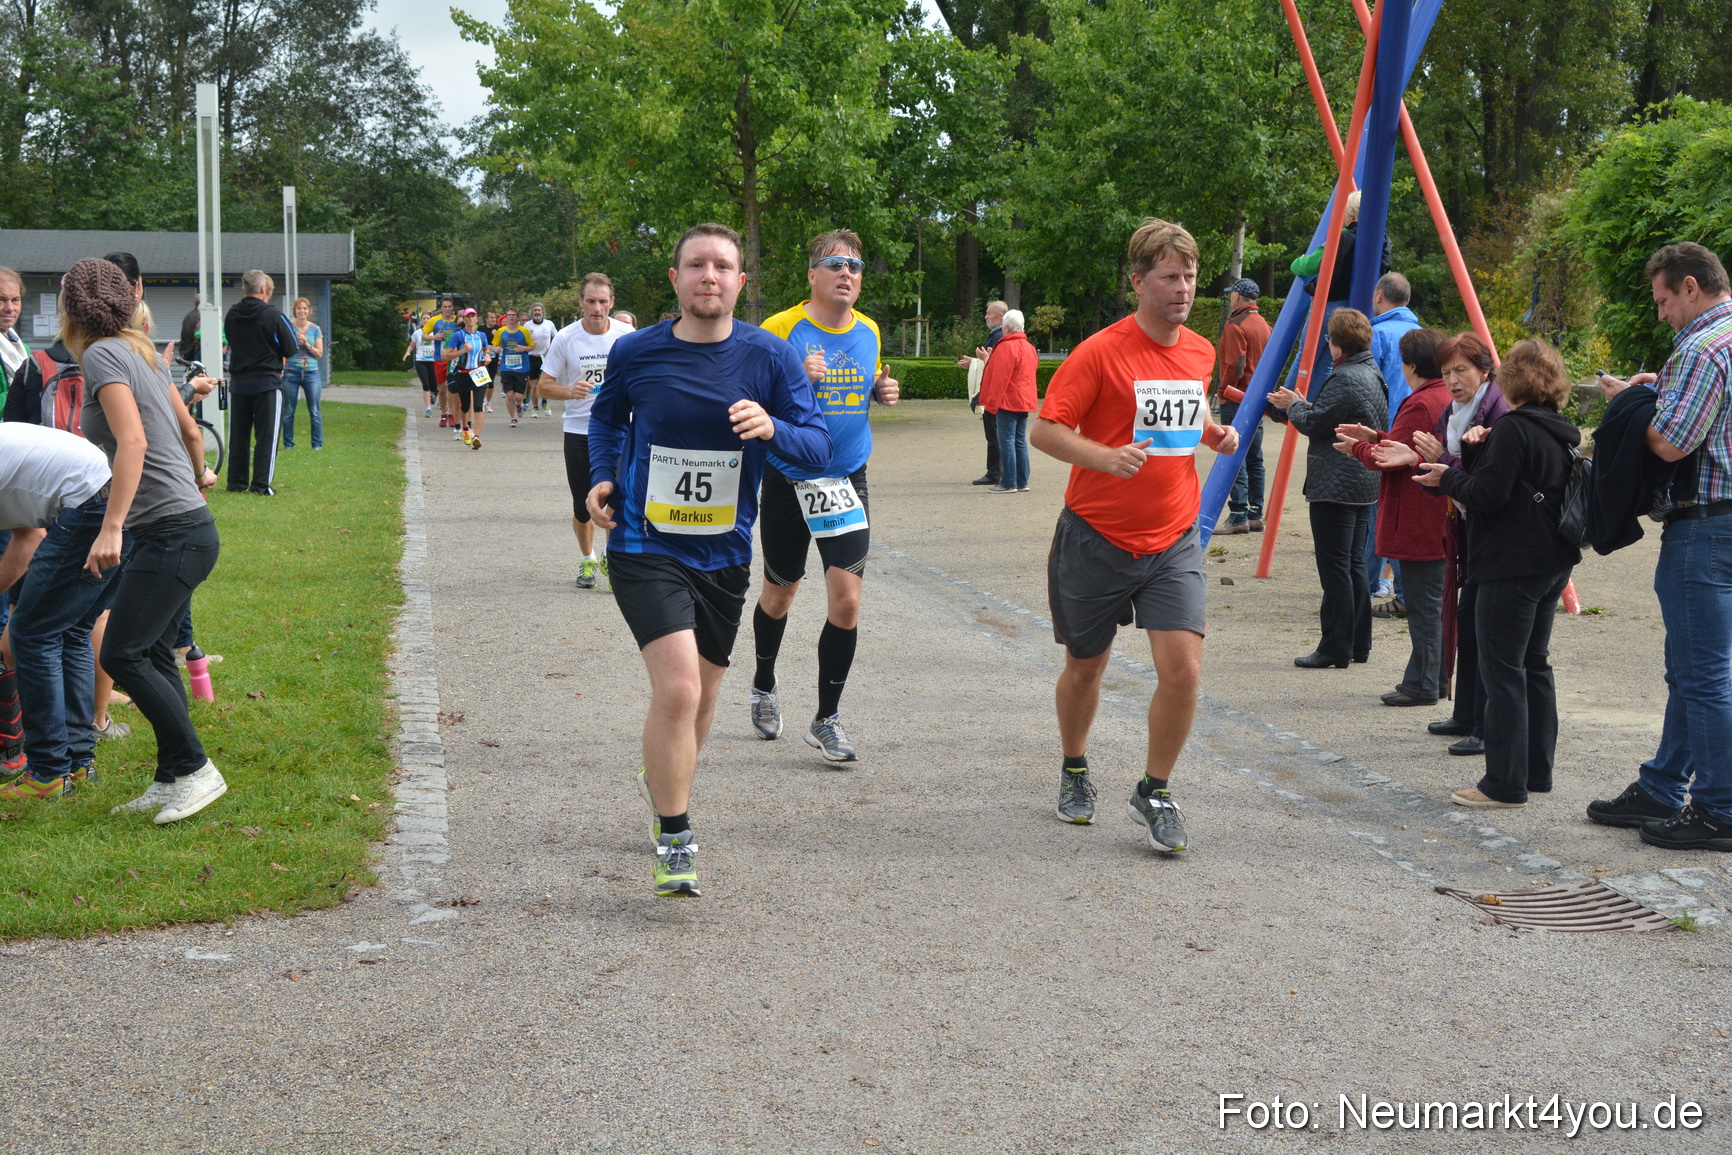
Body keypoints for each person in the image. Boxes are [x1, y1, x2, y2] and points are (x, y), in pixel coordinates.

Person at [586, 223, 829, 897]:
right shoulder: (637, 352)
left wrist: (773, 427)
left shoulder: (771, 358)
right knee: (681, 687)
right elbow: (607, 420)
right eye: (697, 265)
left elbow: (815, 445)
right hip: (644, 543)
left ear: (741, 282)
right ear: (675, 279)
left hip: (724, 553)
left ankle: (662, 776)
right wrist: (602, 474)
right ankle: (675, 836)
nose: (710, 276)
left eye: (723, 265)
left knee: (706, 696)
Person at [1028, 218, 1238, 850]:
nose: (1183, 289)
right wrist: (1105, 456)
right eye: (1170, 277)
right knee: (1085, 667)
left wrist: (1213, 434)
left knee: (1184, 672)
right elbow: (1044, 430)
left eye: (1192, 277)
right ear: (1138, 281)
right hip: (1096, 535)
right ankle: (1074, 767)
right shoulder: (1099, 352)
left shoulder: (1200, 350)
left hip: (1173, 537)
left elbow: (1189, 409)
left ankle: (1155, 789)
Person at [60, 257, 227, 823]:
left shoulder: (105, 353)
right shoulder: (142, 351)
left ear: (72, 308)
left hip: (171, 532)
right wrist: (192, 480)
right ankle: (171, 775)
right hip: (179, 527)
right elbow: (184, 429)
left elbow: (131, 443)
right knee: (153, 650)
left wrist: (110, 526)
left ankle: (197, 768)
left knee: (122, 652)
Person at [1590, 242, 1732, 850]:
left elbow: (1672, 441)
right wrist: (1652, 388)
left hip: (1704, 526)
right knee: (1692, 669)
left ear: (1692, 287)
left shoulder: (1704, 348)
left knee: (1702, 676)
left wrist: (1626, 402)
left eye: (1664, 298)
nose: (1661, 312)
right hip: (1722, 522)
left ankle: (1720, 808)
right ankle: (1663, 783)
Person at [747, 228, 900, 761]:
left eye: (854, 267)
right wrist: (794, 379)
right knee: (779, 593)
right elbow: (747, 400)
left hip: (845, 478)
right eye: (834, 264)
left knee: (848, 599)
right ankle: (764, 684)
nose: (845, 274)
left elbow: (864, 388)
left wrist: (881, 391)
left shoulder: (871, 331)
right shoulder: (779, 328)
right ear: (812, 274)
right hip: (790, 477)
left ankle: (826, 718)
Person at [1415, 340, 1581, 808]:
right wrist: (1470, 456)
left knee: (1502, 669)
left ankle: (1504, 783)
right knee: (1533, 665)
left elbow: (1487, 495)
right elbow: (1504, 484)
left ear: (1513, 380)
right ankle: (1535, 770)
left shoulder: (1513, 428)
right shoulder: (1560, 429)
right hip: (1550, 561)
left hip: (1510, 563)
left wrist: (1444, 477)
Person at [0, 423, 119, 801]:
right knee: (69, 630)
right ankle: (78, 764)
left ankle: (49, 773)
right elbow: (26, 538)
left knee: (32, 635)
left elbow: (32, 538)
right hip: (114, 496)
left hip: (93, 502)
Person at [1338, 328, 1453, 705]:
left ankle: (1423, 683)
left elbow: (1388, 457)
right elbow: (1401, 443)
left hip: (1417, 513)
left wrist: (1359, 447)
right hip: (1436, 512)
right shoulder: (1442, 396)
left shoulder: (1420, 402)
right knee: (1430, 604)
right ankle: (1430, 678)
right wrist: (1375, 434)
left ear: (1412, 365)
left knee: (1423, 605)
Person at [1269, 307, 1384, 668]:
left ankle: (1335, 646)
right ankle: (1358, 642)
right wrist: (1302, 406)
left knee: (1335, 566)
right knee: (1354, 564)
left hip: (1336, 481)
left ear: (1336, 343)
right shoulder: (1371, 371)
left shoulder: (1345, 377)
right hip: (1363, 479)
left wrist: (1295, 406)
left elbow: (1318, 423)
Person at [538, 274, 632, 587]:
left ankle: (613, 557)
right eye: (590, 301)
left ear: (612, 303)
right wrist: (570, 391)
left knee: (620, 498)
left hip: (620, 428)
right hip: (580, 431)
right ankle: (588, 559)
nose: (597, 307)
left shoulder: (626, 334)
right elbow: (544, 387)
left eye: (603, 301)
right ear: (581, 302)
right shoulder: (566, 338)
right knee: (583, 506)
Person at [1366, 273, 1422, 611]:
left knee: (1378, 516)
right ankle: (1397, 588)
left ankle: (1377, 585)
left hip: (1383, 432)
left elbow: (1369, 387)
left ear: (1378, 296)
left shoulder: (1377, 335)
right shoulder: (1420, 336)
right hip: (1415, 432)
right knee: (1401, 514)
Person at [223, 270, 296, 494]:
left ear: (244, 289)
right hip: (267, 382)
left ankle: (236, 483)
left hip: (239, 382)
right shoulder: (273, 316)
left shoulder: (231, 315)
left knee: (239, 436)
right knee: (267, 437)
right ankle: (261, 485)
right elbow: (291, 346)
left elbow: (231, 338)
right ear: (264, 289)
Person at [1215, 277, 1272, 532]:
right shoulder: (1264, 325)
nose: (1229, 298)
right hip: (1256, 400)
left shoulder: (1235, 324)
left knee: (1234, 454)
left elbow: (1235, 364)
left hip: (1236, 398)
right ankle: (1255, 514)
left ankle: (1237, 515)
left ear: (1238, 296)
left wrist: (1222, 391)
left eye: (1231, 295)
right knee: (1255, 458)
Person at [979, 307, 1036, 493]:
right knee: (1019, 440)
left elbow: (999, 378)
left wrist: (991, 403)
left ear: (1008, 328)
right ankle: (1022, 481)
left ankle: (1009, 482)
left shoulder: (1005, 346)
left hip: (1008, 400)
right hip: (1024, 399)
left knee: (1007, 440)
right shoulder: (1029, 348)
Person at [960, 300, 1008, 485]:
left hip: (994, 394)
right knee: (1000, 434)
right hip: (997, 393)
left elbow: (996, 365)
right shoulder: (998, 336)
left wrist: (978, 361)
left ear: (1001, 315)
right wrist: (974, 362)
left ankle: (995, 472)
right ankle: (1000, 471)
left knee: (994, 433)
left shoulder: (999, 337)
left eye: (989, 313)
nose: (986, 316)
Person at [443, 309, 491, 449]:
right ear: (463, 319)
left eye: (473, 316)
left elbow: (486, 349)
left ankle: (476, 437)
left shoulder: (481, 335)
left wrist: (487, 355)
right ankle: (465, 429)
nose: (470, 319)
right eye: (468, 316)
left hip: (478, 373)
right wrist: (463, 351)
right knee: (465, 406)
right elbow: (445, 356)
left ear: (477, 319)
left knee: (478, 406)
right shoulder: (458, 336)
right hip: (463, 374)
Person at [282, 297, 324, 450]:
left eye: (305, 308)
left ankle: (317, 444)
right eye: (299, 308)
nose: (302, 311)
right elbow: (284, 351)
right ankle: (288, 444)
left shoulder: (315, 329)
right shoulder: (289, 328)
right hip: (291, 373)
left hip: (311, 373)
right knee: (288, 411)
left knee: (314, 411)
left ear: (309, 311)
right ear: (295, 311)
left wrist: (307, 344)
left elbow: (319, 353)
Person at [490, 307, 533, 428]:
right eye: (509, 315)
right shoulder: (501, 331)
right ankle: (513, 418)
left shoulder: (524, 331)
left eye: (514, 315)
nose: (511, 317)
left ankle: (519, 404)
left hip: (521, 367)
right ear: (506, 317)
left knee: (519, 396)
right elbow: (495, 345)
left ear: (517, 317)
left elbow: (532, 346)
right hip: (506, 367)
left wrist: (524, 348)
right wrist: (496, 349)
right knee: (509, 394)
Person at [523, 302, 557, 418]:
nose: (537, 312)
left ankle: (545, 403)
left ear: (543, 312)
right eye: (535, 310)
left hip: (545, 357)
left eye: (539, 310)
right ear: (532, 312)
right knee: (534, 385)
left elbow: (556, 337)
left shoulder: (549, 324)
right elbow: (523, 340)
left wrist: (551, 349)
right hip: (532, 357)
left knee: (545, 383)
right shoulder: (527, 325)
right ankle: (535, 408)